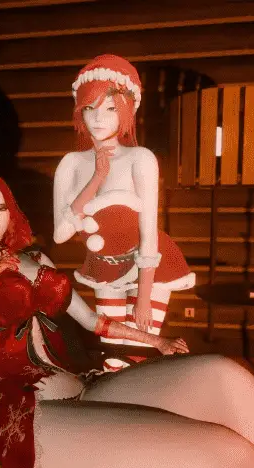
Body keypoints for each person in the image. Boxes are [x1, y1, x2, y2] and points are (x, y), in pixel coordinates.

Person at [0, 174, 254, 468]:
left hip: (83, 385)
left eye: (0, 208)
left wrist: (157, 341)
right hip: (22, 413)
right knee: (227, 452)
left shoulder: (37, 259)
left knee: (229, 378)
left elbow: (92, 321)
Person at [52, 54, 196, 372]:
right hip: (104, 265)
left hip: (150, 265)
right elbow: (61, 233)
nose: (98, 118)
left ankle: (142, 400)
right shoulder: (71, 164)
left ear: (127, 110)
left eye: (110, 108)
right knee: (114, 353)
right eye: (89, 108)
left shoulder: (140, 158)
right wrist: (96, 179)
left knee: (140, 351)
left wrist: (143, 295)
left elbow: (149, 228)